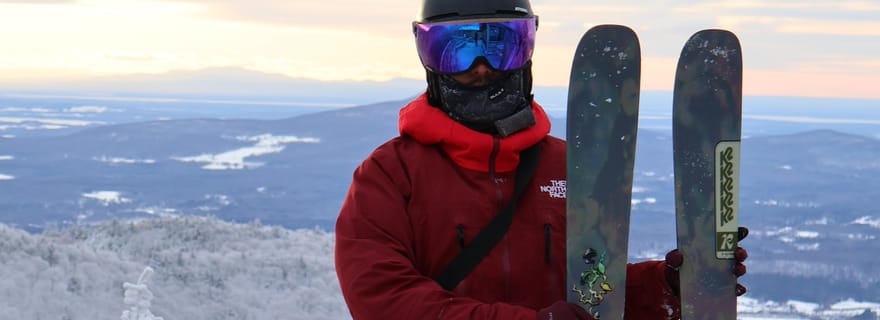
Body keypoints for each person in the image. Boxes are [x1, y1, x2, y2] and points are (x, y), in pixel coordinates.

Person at [334, 1, 748, 319]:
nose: (482, 69)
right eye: (456, 50)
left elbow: (592, 291)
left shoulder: (568, 166)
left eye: (503, 47)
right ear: (429, 59)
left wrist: (666, 287)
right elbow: (383, 301)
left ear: (528, 51)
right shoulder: (390, 175)